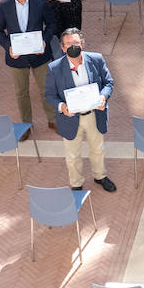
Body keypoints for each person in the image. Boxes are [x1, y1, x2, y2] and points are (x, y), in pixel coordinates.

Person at [44, 27, 117, 192]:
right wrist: (62, 107)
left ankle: (100, 176)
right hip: (69, 118)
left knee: (98, 149)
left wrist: (103, 97)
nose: (72, 46)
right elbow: (50, 95)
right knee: (72, 155)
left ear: (82, 44)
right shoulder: (54, 68)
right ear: (62, 48)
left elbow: (108, 82)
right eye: (68, 44)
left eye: (76, 43)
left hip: (94, 114)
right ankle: (76, 183)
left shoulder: (96, 59)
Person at [0, 0, 58, 131]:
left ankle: (53, 120)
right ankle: (26, 124)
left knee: (46, 89)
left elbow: (51, 24)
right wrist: (8, 47)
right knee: (21, 93)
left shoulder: (40, 2)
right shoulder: (4, 6)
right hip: (17, 57)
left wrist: (44, 41)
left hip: (39, 55)